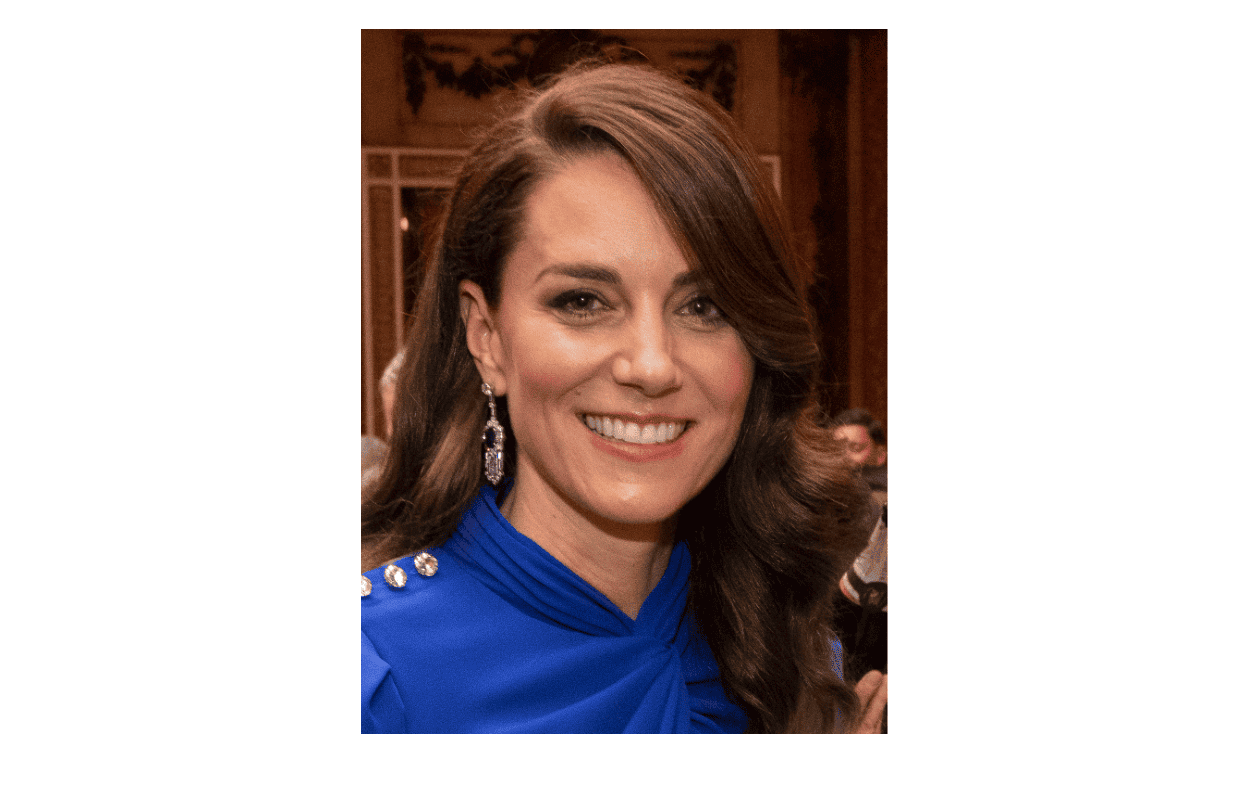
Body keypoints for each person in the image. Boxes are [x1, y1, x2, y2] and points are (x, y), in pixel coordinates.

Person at [361, 62, 884, 733]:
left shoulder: (787, 643)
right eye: (582, 301)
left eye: (704, 306)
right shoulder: (375, 674)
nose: (651, 365)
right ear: (486, 337)